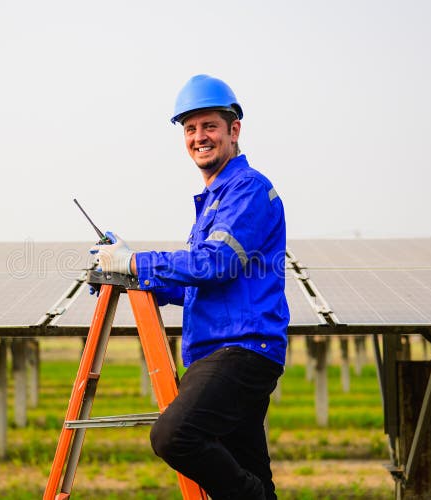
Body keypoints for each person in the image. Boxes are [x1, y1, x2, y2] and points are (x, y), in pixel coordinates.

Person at [92, 74, 289, 499]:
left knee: (174, 436)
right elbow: (196, 286)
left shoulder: (248, 189)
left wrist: (137, 261)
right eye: (190, 129)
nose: (199, 137)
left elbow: (215, 264)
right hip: (216, 351)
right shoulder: (214, 202)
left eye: (209, 126)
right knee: (247, 469)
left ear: (234, 130)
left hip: (240, 351)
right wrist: (128, 275)